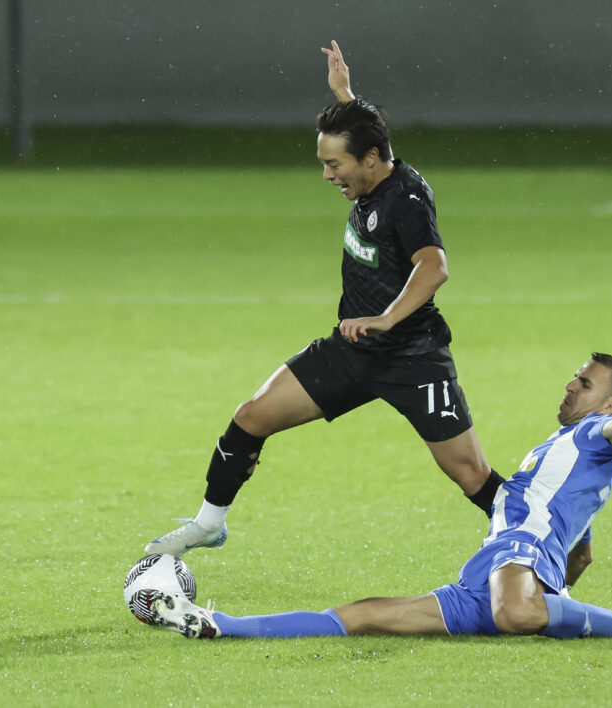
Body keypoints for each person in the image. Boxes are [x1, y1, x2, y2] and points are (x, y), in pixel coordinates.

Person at [144, 41, 503, 557]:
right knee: (251, 417)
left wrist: (385, 318)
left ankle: (540, 536)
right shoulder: (374, 165)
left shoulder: (405, 199)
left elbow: (434, 267)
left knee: (470, 474)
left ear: (371, 159)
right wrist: (345, 95)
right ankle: (208, 524)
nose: (328, 174)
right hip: (352, 350)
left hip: (413, 357)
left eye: (335, 164)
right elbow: (370, 131)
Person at [141, 353, 612, 642]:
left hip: (512, 556)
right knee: (366, 614)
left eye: (585, 381)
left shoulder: (596, 432)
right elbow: (580, 550)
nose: (572, 383)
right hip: (491, 568)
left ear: (609, 402)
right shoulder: (561, 451)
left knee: (517, 612)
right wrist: (562, 576)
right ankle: (221, 625)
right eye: (576, 374)